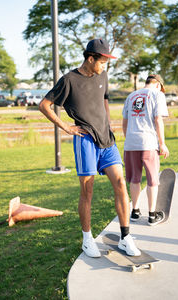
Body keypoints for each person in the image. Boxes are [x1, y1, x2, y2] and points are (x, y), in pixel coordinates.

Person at [39, 39, 140, 257]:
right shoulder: (68, 80)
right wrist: (66, 127)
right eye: (102, 61)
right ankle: (87, 239)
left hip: (107, 139)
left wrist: (107, 122)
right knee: (88, 191)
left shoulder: (102, 75)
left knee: (121, 184)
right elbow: (44, 105)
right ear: (90, 58)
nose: (105, 66)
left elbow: (103, 100)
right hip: (85, 140)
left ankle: (125, 237)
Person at [122, 74, 169, 226]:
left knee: (135, 179)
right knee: (152, 180)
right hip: (148, 143)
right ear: (158, 85)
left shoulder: (131, 96)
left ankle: (134, 212)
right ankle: (152, 216)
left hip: (131, 144)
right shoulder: (157, 95)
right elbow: (158, 119)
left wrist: (129, 138)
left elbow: (125, 122)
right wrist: (162, 143)